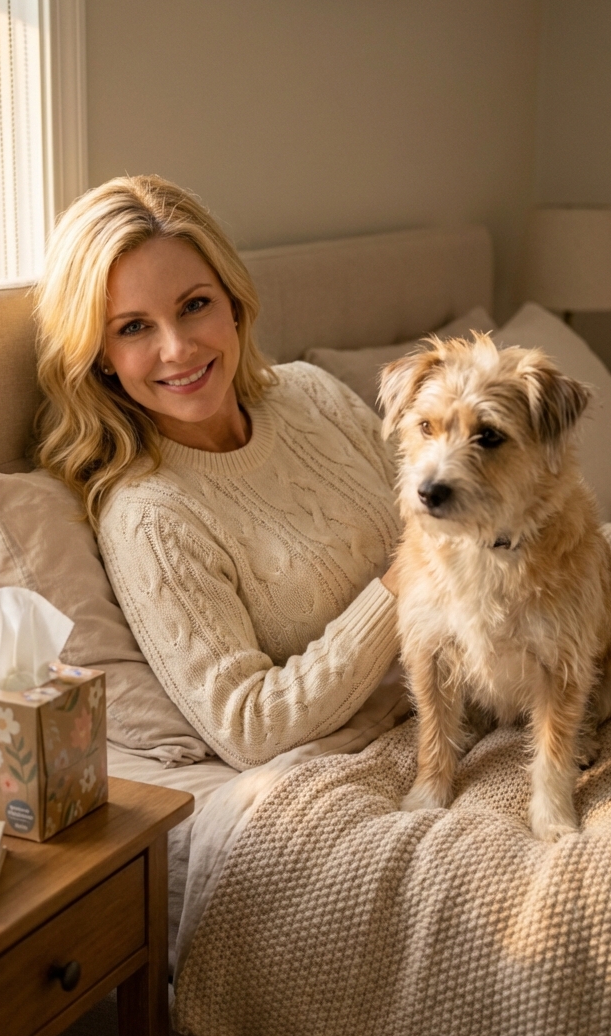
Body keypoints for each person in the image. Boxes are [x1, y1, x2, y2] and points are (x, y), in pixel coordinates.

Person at [35, 174, 401, 770]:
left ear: (232, 303)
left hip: (490, 675)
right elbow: (248, 727)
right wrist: (399, 588)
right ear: (101, 356)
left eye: (194, 305)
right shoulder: (150, 517)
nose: (177, 348)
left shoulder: (312, 393)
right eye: (133, 327)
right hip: (391, 746)